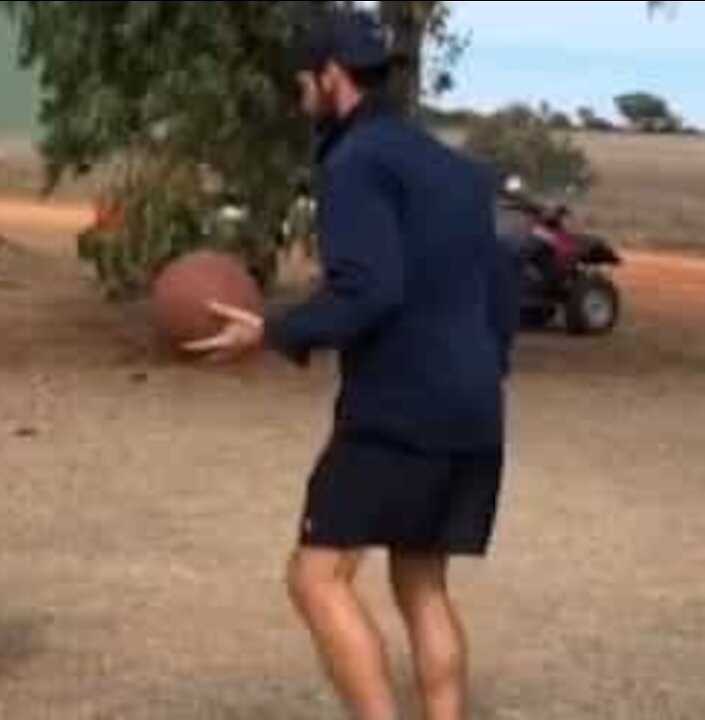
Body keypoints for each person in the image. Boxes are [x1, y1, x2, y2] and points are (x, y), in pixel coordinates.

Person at [184, 10, 518, 720]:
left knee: (316, 577)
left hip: (400, 412)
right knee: (423, 584)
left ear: (332, 76)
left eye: (303, 80)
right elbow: (500, 282)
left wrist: (273, 332)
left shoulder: (353, 161)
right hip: (473, 408)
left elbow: (369, 288)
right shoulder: (454, 168)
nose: (299, 94)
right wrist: (486, 368)